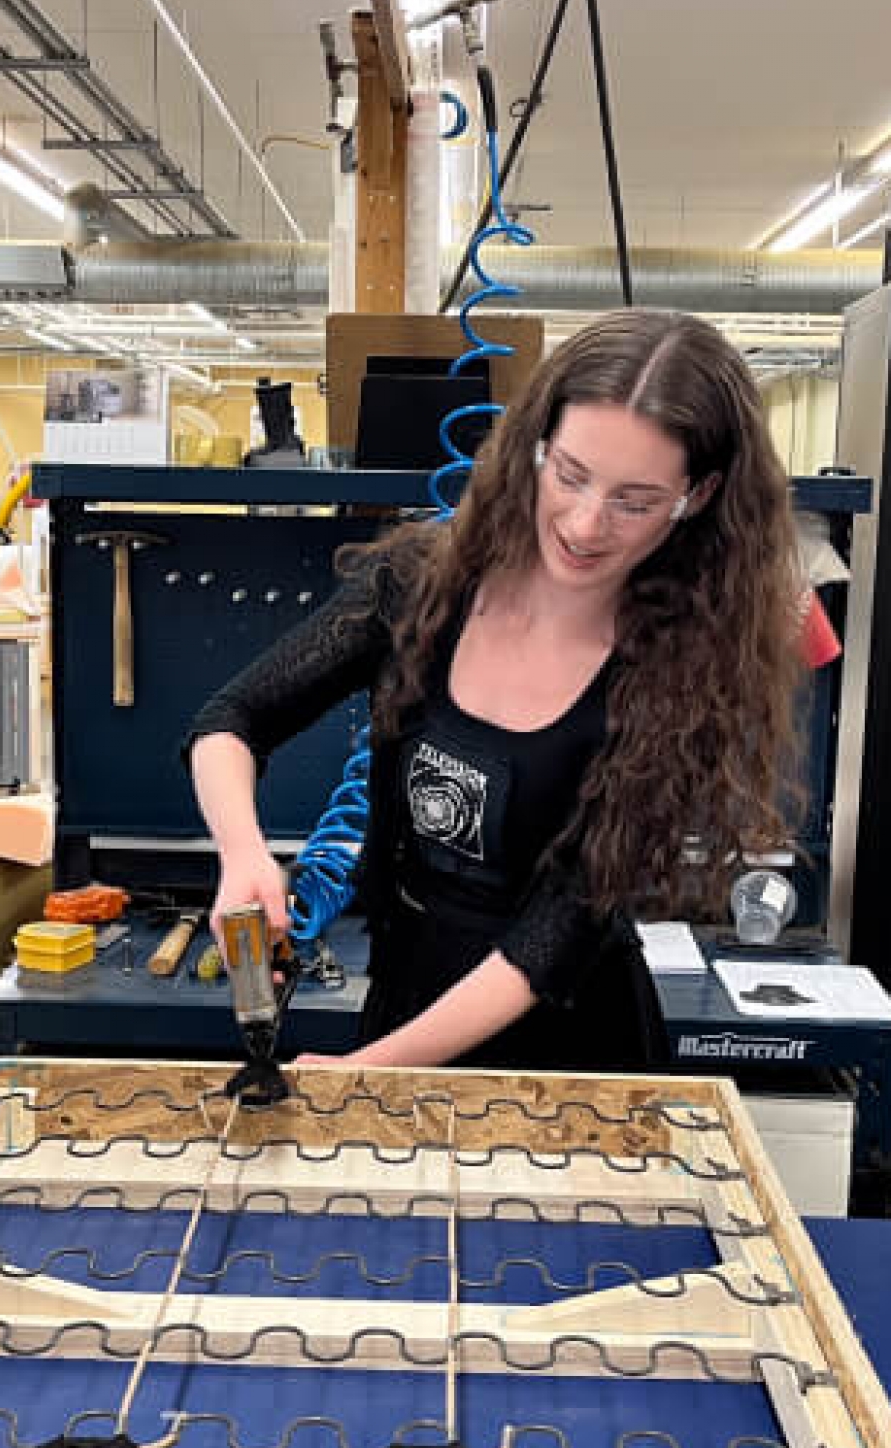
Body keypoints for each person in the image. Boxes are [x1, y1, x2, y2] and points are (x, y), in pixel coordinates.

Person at [187, 309, 838, 1073]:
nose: (587, 523)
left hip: (567, 1061)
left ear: (698, 494)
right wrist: (242, 854)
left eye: (634, 499)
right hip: (403, 1004)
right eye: (570, 474)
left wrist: (368, 1075)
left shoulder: (680, 677)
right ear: (535, 444)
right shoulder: (420, 587)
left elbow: (550, 940)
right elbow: (231, 718)